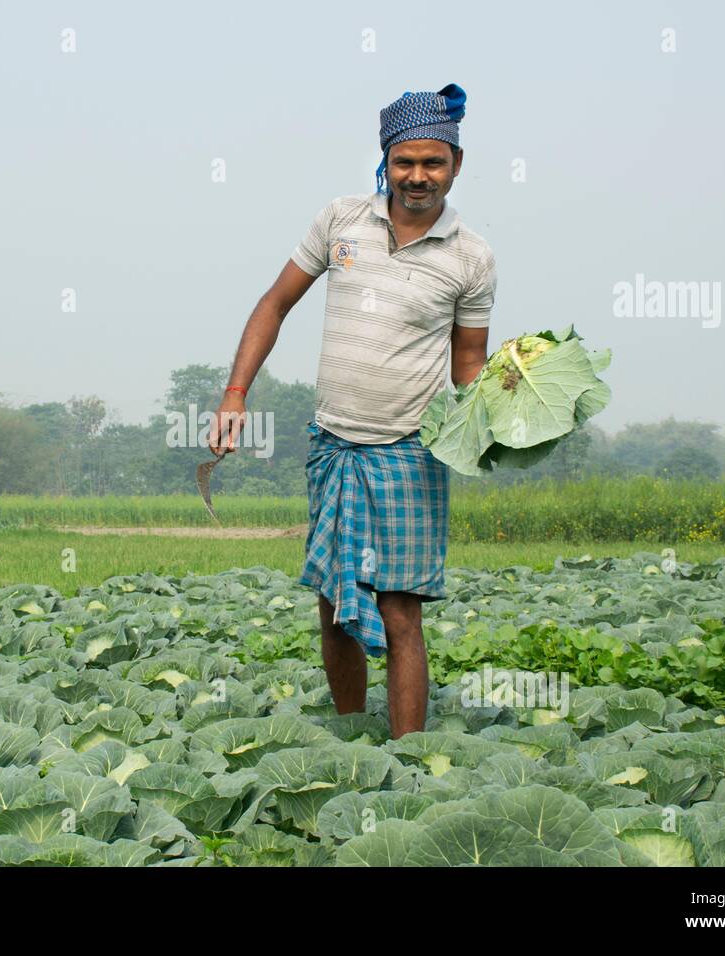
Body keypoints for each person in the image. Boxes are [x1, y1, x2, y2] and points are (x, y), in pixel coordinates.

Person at [207, 85, 497, 739]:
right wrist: (234, 396)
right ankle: (347, 737)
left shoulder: (471, 256)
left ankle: (406, 757)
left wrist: (498, 421)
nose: (418, 177)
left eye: (433, 163)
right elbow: (273, 304)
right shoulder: (340, 222)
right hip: (334, 444)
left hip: (411, 451)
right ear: (386, 161)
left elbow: (469, 363)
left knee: (399, 611)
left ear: (456, 163)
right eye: (405, 162)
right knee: (336, 602)